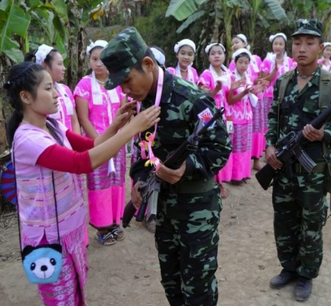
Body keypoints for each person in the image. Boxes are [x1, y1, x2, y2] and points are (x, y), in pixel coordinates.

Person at [5, 61, 159, 305]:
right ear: (26, 96)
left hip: (67, 231)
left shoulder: (52, 125)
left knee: (75, 296)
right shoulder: (27, 139)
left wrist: (118, 124)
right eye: (48, 88)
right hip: (49, 238)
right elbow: (81, 163)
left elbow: (90, 146)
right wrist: (133, 129)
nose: (57, 94)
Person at [100, 27, 232, 306]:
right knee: (171, 281)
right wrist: (138, 177)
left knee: (198, 285)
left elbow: (221, 147)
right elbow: (142, 149)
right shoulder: (141, 102)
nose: (124, 90)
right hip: (163, 207)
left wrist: (189, 167)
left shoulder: (193, 99)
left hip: (197, 207)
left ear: (147, 65)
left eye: (126, 80)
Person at [265, 19, 331, 302]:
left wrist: (324, 134)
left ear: (320, 47)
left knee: (311, 226)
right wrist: (268, 145)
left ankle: (306, 275)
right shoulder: (283, 82)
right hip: (283, 169)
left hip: (313, 171)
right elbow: (272, 118)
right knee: (284, 222)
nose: (302, 48)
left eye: (309, 43)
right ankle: (289, 268)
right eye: (298, 43)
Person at [74, 40, 128, 246]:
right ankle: (102, 227)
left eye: (103, 59)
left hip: (117, 143)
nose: (99, 63)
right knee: (99, 184)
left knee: (116, 181)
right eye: (94, 59)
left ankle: (115, 221)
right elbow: (83, 118)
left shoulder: (118, 82)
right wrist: (97, 142)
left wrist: (120, 136)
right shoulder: (84, 85)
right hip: (95, 145)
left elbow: (124, 112)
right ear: (89, 60)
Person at [198, 42, 232, 198]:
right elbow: (203, 98)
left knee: (223, 148)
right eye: (213, 53)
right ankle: (215, 183)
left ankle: (221, 181)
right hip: (209, 117)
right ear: (208, 57)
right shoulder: (205, 75)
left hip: (225, 115)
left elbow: (228, 97)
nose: (217, 55)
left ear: (225, 55)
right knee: (213, 148)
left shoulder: (227, 73)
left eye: (219, 52)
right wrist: (216, 89)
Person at [226, 48, 265, 185]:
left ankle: (243, 174)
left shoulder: (247, 77)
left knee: (245, 147)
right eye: (240, 62)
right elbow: (230, 100)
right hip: (235, 118)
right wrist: (244, 93)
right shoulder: (230, 77)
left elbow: (250, 95)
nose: (243, 65)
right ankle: (234, 175)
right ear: (235, 63)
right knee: (235, 147)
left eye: (246, 63)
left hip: (247, 117)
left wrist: (257, 90)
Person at [25, 44, 80, 133]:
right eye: (59, 64)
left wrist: (77, 145)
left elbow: (74, 121)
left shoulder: (65, 90)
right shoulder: (37, 94)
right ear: (44, 65)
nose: (64, 68)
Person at [260, 32, 296, 137]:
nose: (278, 46)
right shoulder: (267, 61)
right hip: (269, 95)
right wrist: (274, 70)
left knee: (283, 119)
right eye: (275, 44)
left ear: (285, 46)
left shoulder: (290, 62)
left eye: (280, 44)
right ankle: (268, 145)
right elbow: (264, 80)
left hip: (285, 95)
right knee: (269, 120)